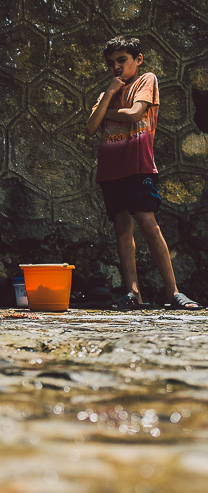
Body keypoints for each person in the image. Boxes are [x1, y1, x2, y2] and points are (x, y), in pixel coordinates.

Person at [85, 35, 201, 310]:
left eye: (122, 60)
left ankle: (174, 293)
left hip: (139, 166)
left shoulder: (145, 80)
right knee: (122, 226)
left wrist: (107, 113)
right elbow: (91, 127)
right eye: (111, 63)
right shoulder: (106, 95)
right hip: (112, 171)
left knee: (148, 223)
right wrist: (110, 95)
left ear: (137, 60)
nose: (116, 67)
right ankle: (132, 292)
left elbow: (137, 113)